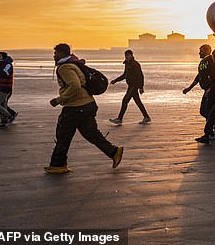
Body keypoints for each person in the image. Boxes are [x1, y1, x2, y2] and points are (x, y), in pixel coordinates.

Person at [45, 43, 122, 174]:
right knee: (91, 134)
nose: (54, 56)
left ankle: (58, 165)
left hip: (75, 107)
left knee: (63, 135)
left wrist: (58, 100)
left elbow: (75, 86)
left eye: (56, 53)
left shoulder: (65, 67)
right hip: (87, 104)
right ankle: (114, 152)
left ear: (62, 54)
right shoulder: (73, 63)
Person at [109, 50, 151, 125]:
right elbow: (125, 75)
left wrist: (141, 87)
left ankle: (119, 119)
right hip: (131, 86)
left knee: (125, 100)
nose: (127, 57)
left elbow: (140, 76)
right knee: (138, 102)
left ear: (131, 55)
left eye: (128, 55)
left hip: (134, 86)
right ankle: (146, 117)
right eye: (126, 56)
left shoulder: (135, 64)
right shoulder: (127, 64)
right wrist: (115, 80)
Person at [183, 44, 214, 119]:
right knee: (203, 112)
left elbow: (214, 76)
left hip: (211, 90)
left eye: (201, 51)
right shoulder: (202, 62)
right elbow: (198, 77)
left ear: (207, 51)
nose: (199, 53)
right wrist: (189, 88)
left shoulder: (210, 60)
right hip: (206, 90)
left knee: (208, 111)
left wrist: (210, 89)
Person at [0, 52, 18, 129]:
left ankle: (10, 116)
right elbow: (0, 76)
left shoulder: (7, 65)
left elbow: (5, 74)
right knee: (3, 105)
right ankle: (4, 122)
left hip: (5, 88)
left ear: (4, 57)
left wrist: (0, 66)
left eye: (0, 56)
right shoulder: (0, 65)